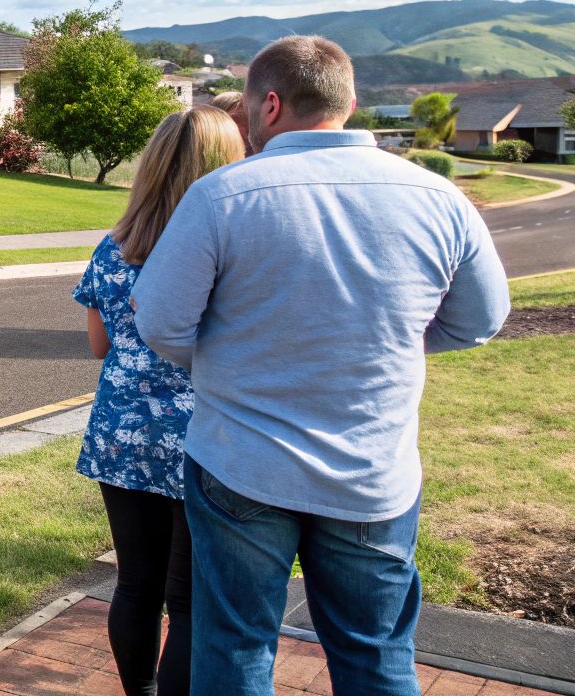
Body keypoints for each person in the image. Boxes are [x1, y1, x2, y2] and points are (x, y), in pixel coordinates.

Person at [131, 36, 510, 696]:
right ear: (351, 103)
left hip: (241, 464)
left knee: (236, 646)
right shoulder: (439, 199)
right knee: (375, 654)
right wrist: (386, 343)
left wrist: (233, 357)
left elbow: (161, 322)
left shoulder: (223, 197)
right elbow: (480, 320)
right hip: (372, 470)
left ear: (269, 104)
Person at [74, 105, 245, 696]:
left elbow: (99, 346)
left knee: (135, 586)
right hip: (204, 438)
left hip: (121, 433)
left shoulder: (113, 246)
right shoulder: (230, 249)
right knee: (191, 600)